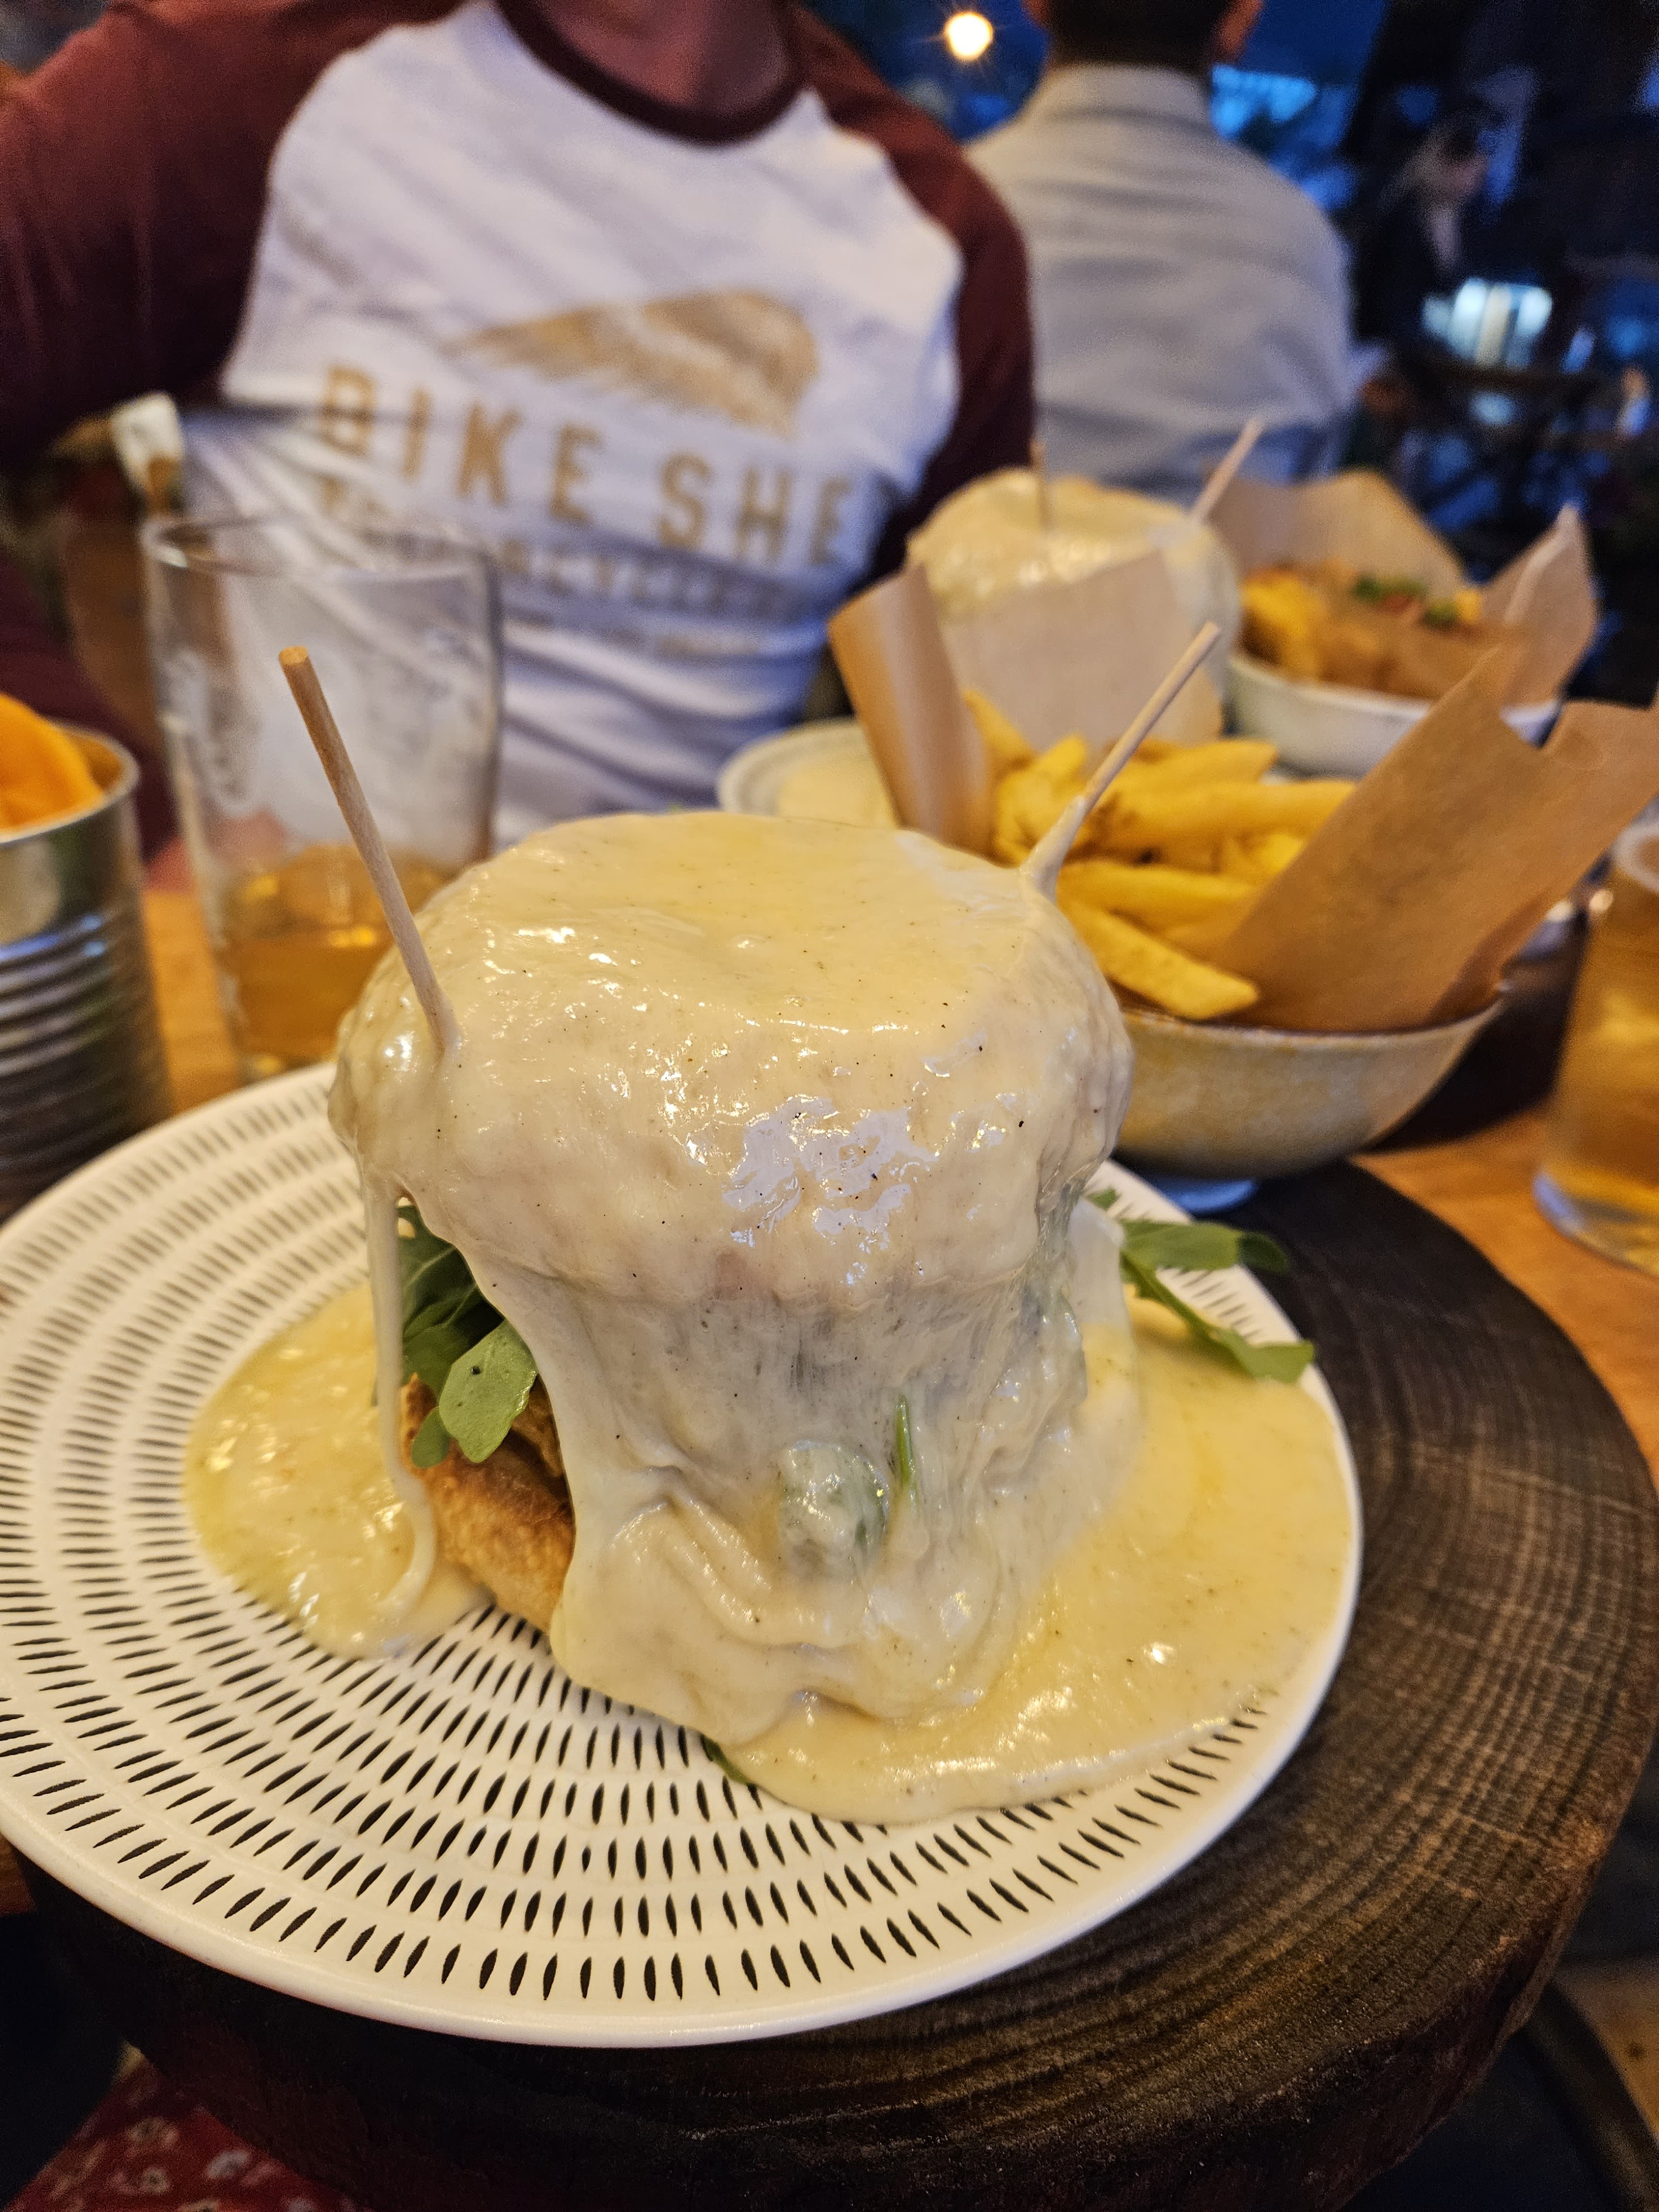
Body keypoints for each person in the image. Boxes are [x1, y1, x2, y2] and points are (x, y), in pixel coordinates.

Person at [0, 0, 1031, 838]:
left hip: (712, 983)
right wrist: (119, 832)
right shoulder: (231, 88)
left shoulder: (941, 244)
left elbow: (973, 734)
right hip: (315, 965)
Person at [971, 0, 1355, 504]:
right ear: (1242, 19)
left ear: (1035, 5)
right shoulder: (1305, 250)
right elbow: (1306, 498)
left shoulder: (944, 212)